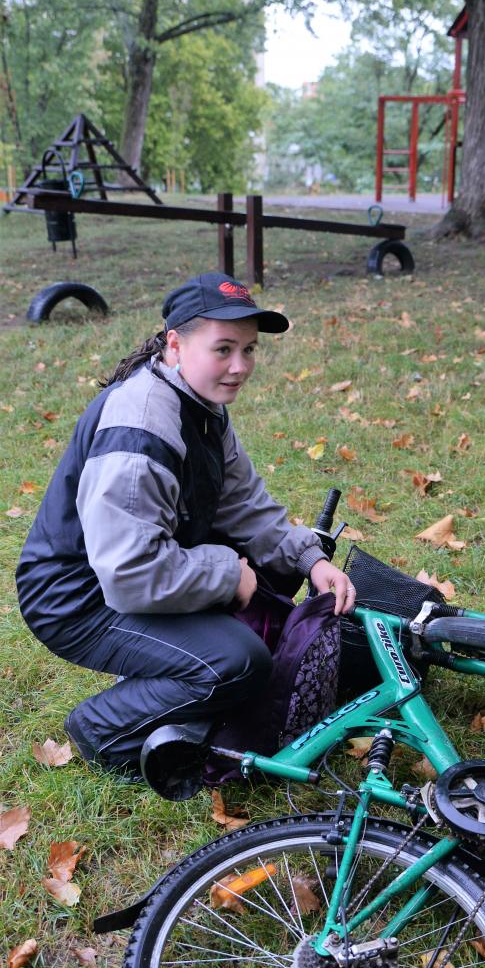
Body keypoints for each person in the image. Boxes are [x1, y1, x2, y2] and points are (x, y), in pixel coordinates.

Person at [16, 272, 356, 779]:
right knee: (238, 661)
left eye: (249, 349)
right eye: (223, 349)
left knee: (270, 577)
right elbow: (129, 571)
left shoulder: (201, 404)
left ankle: (174, 680)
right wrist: (227, 575)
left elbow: (243, 504)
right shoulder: (141, 426)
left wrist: (311, 559)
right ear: (175, 344)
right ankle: (102, 728)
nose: (240, 366)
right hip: (76, 597)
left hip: (126, 575)